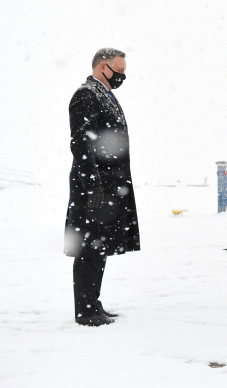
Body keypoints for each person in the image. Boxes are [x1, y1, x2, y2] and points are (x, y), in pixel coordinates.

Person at [64, 48, 140, 326]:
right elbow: (80, 142)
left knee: (99, 246)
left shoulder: (105, 95)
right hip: (93, 188)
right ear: (102, 67)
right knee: (89, 247)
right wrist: (93, 184)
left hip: (107, 187)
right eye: (119, 71)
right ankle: (85, 311)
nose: (122, 76)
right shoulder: (87, 94)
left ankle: (93, 303)